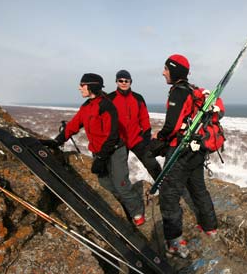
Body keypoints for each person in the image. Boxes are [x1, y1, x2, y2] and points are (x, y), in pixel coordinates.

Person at [47, 73, 146, 227]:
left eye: (82, 84)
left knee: (121, 183)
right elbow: (74, 125)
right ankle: (123, 203)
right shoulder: (86, 106)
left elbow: (113, 136)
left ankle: (137, 211)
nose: (79, 88)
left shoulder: (106, 106)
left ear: (91, 86)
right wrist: (56, 141)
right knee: (105, 182)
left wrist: (101, 159)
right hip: (98, 152)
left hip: (115, 150)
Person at [150, 54, 218, 258]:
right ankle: (210, 227)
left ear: (174, 70)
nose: (163, 72)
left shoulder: (178, 93)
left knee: (169, 195)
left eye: (166, 69)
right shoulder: (193, 90)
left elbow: (172, 126)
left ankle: (175, 242)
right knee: (198, 188)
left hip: (181, 151)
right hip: (197, 150)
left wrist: (158, 137)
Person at [107, 70, 162, 225]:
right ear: (116, 82)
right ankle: (131, 206)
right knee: (120, 172)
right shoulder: (110, 98)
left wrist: (146, 134)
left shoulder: (138, 98)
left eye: (127, 80)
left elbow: (144, 117)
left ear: (131, 82)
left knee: (151, 163)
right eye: (120, 80)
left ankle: (163, 188)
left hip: (137, 138)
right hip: (119, 141)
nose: (124, 83)